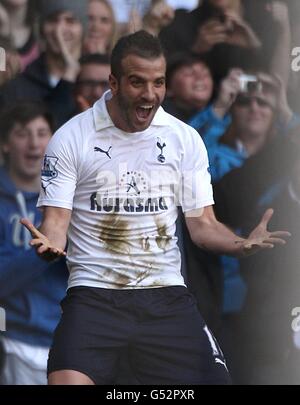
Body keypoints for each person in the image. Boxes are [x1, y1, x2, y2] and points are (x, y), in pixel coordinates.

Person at [21, 30, 290, 385]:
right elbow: (55, 222)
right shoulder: (71, 138)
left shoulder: (183, 138)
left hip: (166, 296)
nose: (150, 95)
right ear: (114, 83)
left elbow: (203, 226)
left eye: (159, 82)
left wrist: (240, 245)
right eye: (137, 82)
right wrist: (51, 245)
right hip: (94, 296)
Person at [0, 103, 68, 385]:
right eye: (22, 134)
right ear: (4, 144)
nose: (34, 143)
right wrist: (42, 253)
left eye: (42, 133)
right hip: (18, 343)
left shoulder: (72, 199)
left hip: (75, 341)